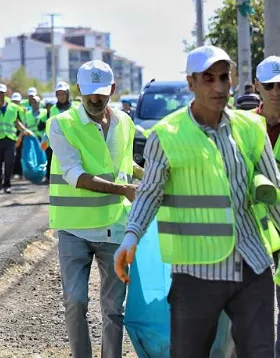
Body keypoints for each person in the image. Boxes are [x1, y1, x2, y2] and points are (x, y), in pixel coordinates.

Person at [114, 46, 280, 357]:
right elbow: (150, 192)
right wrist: (131, 237)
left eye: (224, 78)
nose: (219, 87)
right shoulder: (167, 135)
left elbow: (275, 193)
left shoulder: (250, 128)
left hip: (252, 263)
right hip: (196, 272)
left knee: (260, 352)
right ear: (191, 83)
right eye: (208, 79)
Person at [47, 60, 140, 358]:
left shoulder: (125, 122)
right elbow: (75, 175)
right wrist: (124, 190)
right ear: (78, 91)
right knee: (75, 300)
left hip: (115, 227)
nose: (95, 99)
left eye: (101, 92)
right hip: (74, 229)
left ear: (112, 89)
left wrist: (149, 176)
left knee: (114, 309)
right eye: (89, 93)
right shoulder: (61, 124)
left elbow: (125, 167)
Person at [254, 55, 280, 357]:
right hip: (252, 231)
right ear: (256, 86)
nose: (276, 90)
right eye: (269, 85)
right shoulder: (243, 126)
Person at [0, 84, 34, 194]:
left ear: (5, 94)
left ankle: (7, 185)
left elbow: (17, 122)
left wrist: (25, 130)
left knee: (9, 162)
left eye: (2, 93)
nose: (0, 95)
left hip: (10, 139)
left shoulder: (12, 107)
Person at [39, 81, 75, 186]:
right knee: (52, 162)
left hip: (70, 141)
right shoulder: (53, 109)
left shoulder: (74, 108)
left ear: (67, 94)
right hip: (54, 142)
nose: (61, 96)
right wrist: (45, 137)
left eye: (63, 94)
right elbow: (50, 124)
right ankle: (51, 180)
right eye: (58, 94)